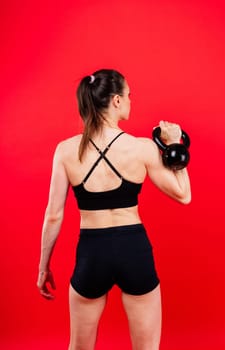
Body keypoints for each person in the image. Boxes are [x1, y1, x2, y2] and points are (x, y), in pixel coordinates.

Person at [37, 69, 191, 350]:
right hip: (133, 249)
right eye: (129, 95)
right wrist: (174, 144)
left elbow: (54, 215)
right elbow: (184, 196)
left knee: (79, 347)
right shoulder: (141, 148)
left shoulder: (66, 151)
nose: (132, 100)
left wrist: (42, 267)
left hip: (91, 253)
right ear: (117, 101)